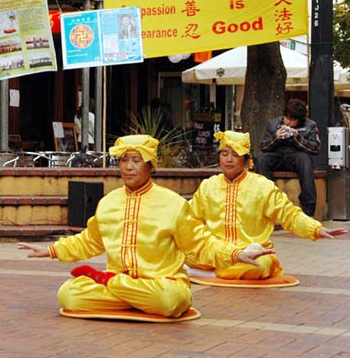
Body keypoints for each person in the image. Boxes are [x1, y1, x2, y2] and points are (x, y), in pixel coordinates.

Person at [18, 134, 272, 318]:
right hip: (125, 280)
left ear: (151, 165)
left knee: (171, 300)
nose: (128, 167)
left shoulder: (172, 203)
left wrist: (236, 253)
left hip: (161, 284)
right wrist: (51, 250)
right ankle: (129, 294)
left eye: (136, 160)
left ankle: (116, 288)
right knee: (69, 295)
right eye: (124, 160)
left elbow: (201, 243)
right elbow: (89, 241)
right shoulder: (108, 203)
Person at [187, 131, 347, 280]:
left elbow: (288, 214)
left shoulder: (262, 186)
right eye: (224, 154)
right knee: (184, 252)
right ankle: (223, 270)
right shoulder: (208, 185)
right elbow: (188, 218)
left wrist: (316, 229)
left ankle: (211, 273)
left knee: (260, 264)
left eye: (235, 155)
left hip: (250, 249)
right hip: (217, 251)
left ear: (246, 159)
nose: (229, 160)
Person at [256, 99, 320, 217]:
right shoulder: (273, 124)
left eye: (292, 120)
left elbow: (315, 149)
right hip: (278, 155)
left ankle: (308, 207)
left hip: (297, 156)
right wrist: (275, 137)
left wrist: (297, 137)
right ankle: (268, 198)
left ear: (300, 119)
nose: (288, 122)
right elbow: (263, 147)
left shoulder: (310, 125)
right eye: (287, 118)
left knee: (305, 160)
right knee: (261, 159)